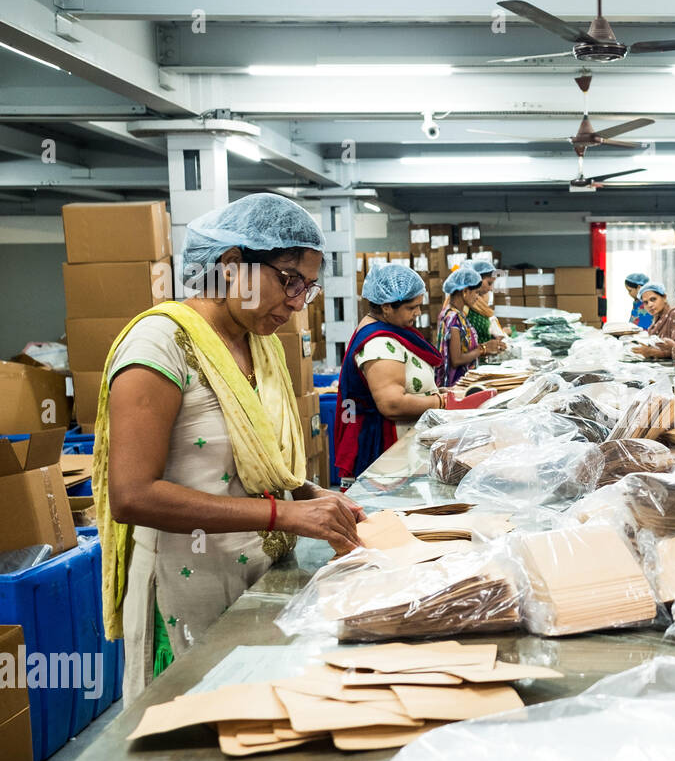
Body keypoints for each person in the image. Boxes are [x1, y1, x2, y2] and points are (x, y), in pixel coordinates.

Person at [90, 193, 366, 706]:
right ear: (232, 265)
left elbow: (254, 464)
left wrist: (309, 495)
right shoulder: (162, 344)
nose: (298, 302)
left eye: (308, 286)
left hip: (256, 576)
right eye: (289, 280)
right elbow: (131, 495)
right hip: (186, 584)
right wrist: (282, 514)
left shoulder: (258, 344)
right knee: (193, 733)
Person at [334, 265, 495, 481]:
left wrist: (436, 393)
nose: (418, 313)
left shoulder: (387, 329)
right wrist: (442, 402)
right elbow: (392, 404)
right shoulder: (379, 343)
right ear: (387, 306)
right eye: (412, 308)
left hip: (397, 446)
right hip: (382, 449)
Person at [436, 267, 507, 388]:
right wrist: (483, 348)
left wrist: (488, 348)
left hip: (463, 381)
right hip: (456, 384)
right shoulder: (453, 317)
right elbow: (456, 359)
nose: (477, 297)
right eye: (476, 293)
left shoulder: (459, 315)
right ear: (465, 291)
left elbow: (466, 349)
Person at [629, 282, 675, 360]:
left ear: (664, 297)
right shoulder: (656, 320)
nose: (650, 305)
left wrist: (652, 352)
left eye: (653, 299)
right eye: (646, 302)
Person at [464, 258, 507, 345]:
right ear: (477, 279)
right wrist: (484, 349)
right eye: (489, 283)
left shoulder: (482, 301)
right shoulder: (464, 304)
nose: (491, 288)